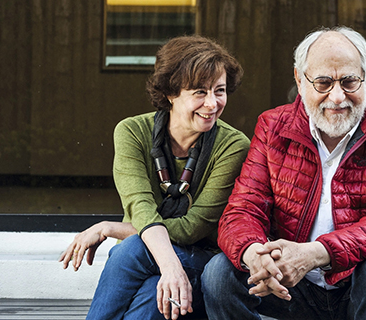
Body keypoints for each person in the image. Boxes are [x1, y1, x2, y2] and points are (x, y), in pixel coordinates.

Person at [201, 26, 366, 320]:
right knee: (220, 272)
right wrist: (255, 255)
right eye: (323, 83)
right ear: (300, 79)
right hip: (291, 284)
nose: (337, 97)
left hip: (360, 280)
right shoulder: (273, 126)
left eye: (349, 81)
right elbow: (243, 208)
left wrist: (314, 254)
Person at [59, 35, 250, 320]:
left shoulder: (233, 145)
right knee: (151, 296)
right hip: (150, 267)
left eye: (219, 90)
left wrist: (110, 228)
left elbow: (193, 228)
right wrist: (170, 267)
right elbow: (141, 207)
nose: (212, 103)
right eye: (200, 91)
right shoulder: (132, 132)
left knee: (132, 248)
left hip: (202, 261)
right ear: (171, 92)